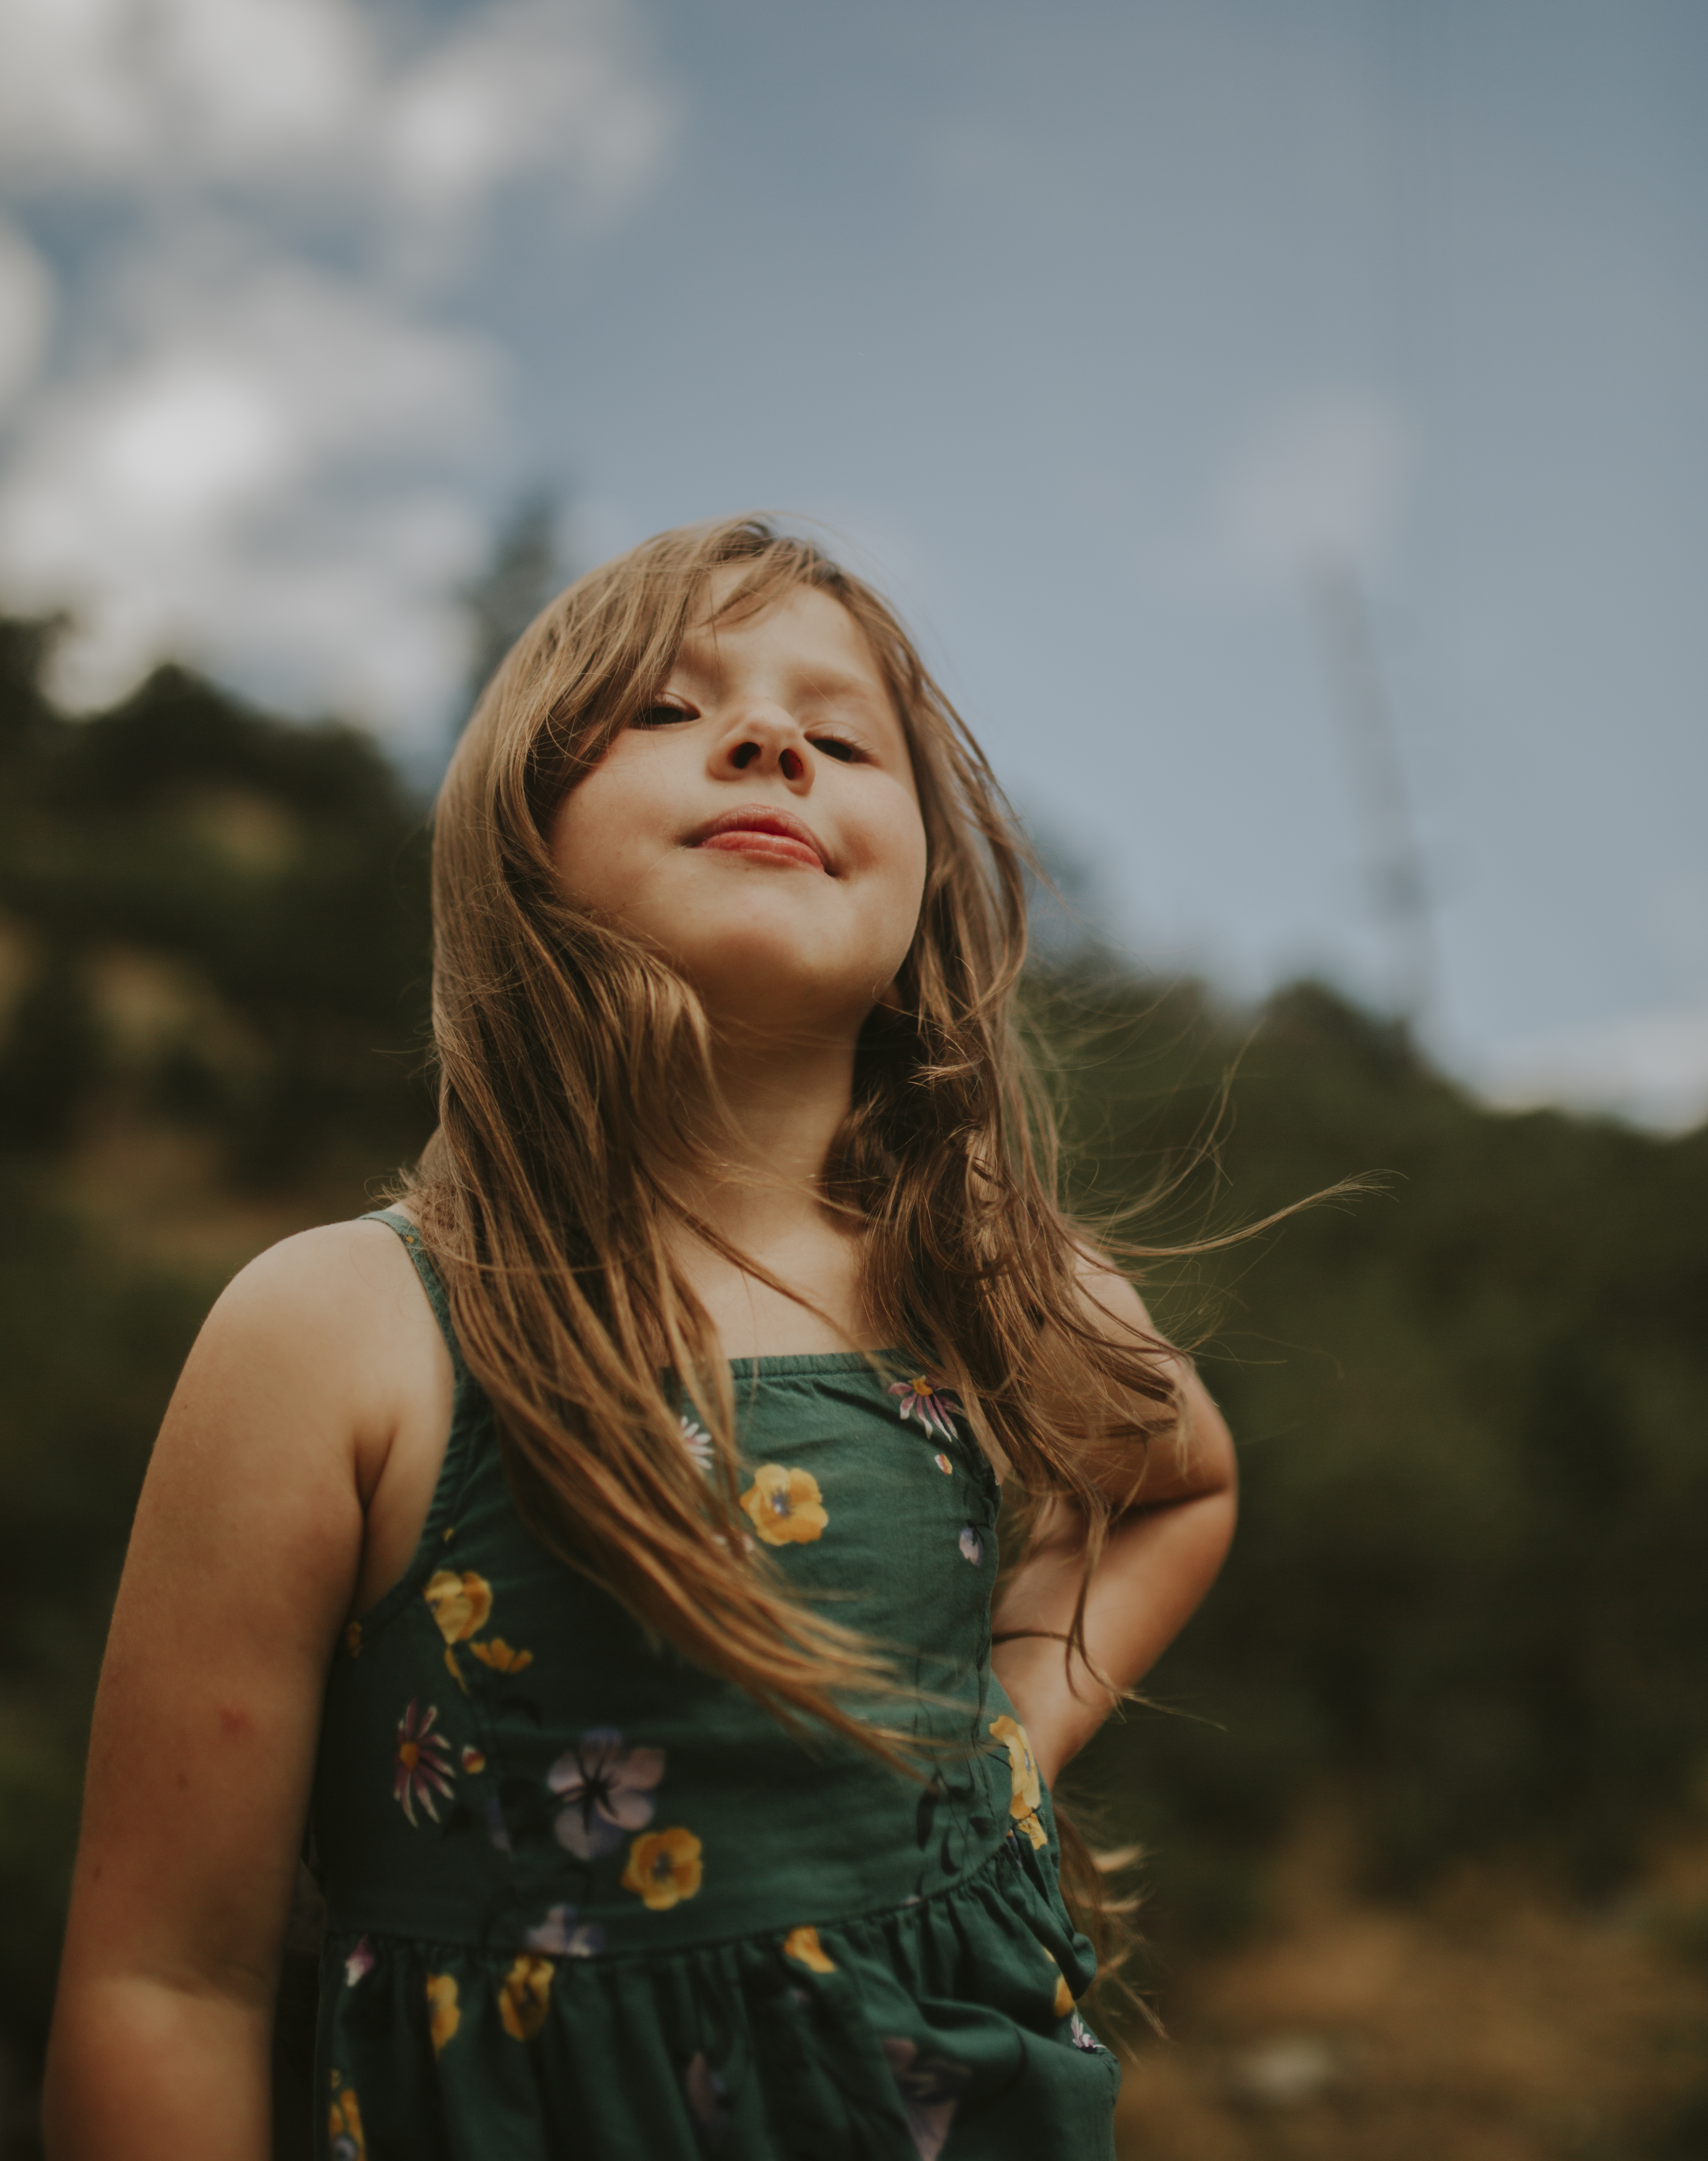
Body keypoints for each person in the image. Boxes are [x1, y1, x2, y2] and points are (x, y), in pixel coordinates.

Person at [44, 518, 1237, 2160]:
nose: (768, 743)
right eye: (670, 712)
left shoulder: (999, 1284)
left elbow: (1180, 1485)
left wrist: (999, 1746)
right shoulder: (346, 1328)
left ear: (928, 897)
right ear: (518, 838)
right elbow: (166, 1985)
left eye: (839, 737)